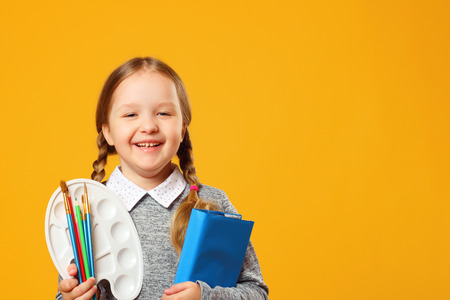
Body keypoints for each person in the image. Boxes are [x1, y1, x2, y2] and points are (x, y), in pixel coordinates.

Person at [56, 57, 269, 299]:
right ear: (108, 132)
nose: (148, 126)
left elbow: (257, 293)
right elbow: (65, 293)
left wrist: (204, 296)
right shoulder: (86, 210)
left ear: (182, 128)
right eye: (130, 114)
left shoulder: (211, 203)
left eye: (164, 113)